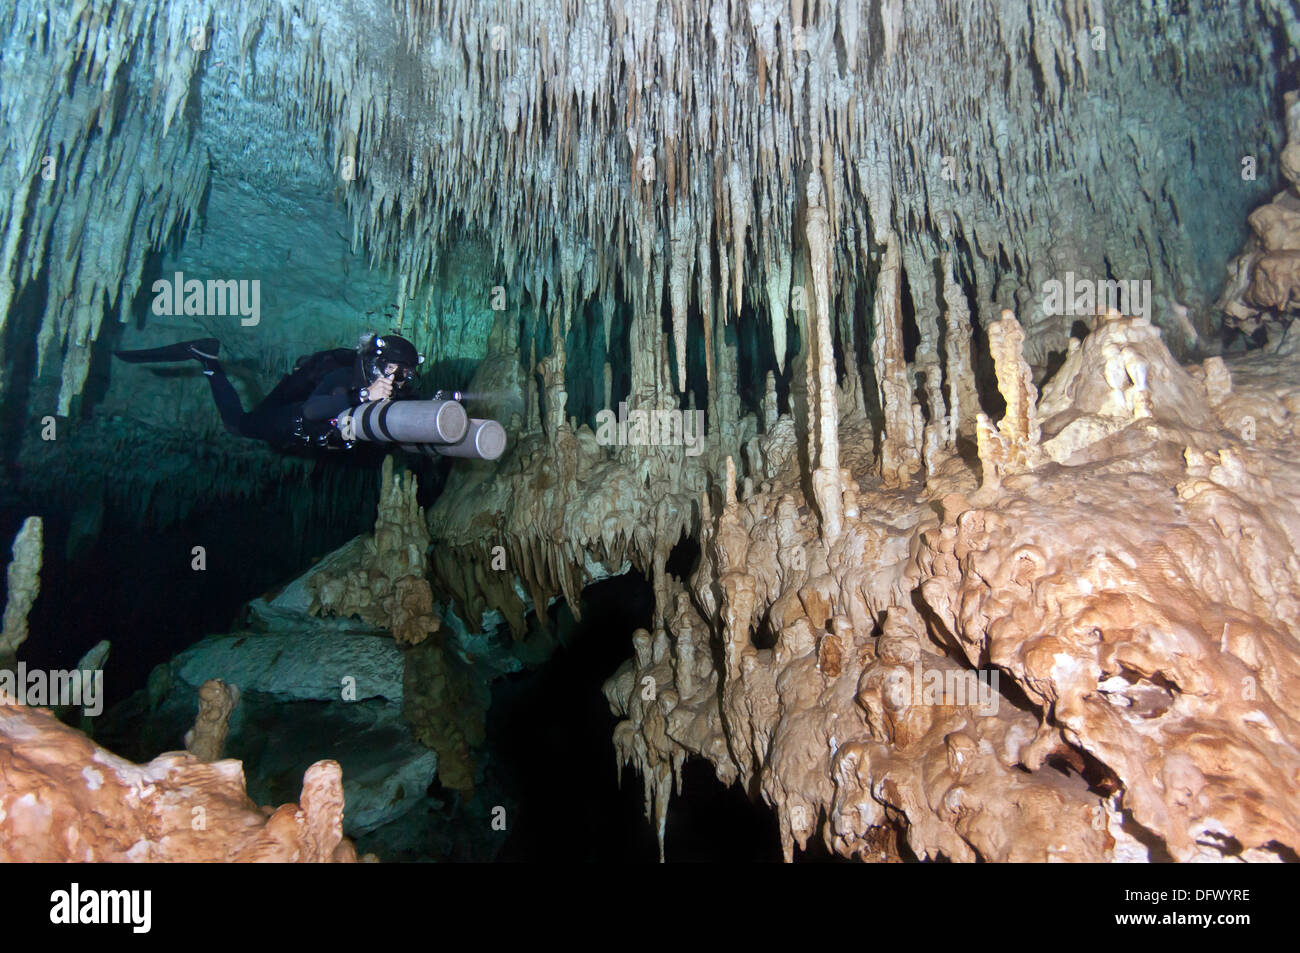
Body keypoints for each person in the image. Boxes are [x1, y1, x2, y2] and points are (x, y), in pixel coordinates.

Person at [114, 332, 423, 450]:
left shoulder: (388, 388)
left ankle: (209, 361)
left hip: (308, 428)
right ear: (377, 363)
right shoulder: (345, 376)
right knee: (238, 425)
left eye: (407, 374)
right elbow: (312, 410)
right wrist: (364, 396)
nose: (399, 380)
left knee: (256, 415)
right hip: (293, 422)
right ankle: (208, 362)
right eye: (396, 371)